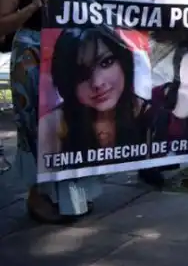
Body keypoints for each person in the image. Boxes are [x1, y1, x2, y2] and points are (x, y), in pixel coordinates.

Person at [0, 0, 101, 223]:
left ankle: (68, 196)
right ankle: (36, 197)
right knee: (35, 128)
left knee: (65, 125)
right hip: (30, 59)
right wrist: (30, 8)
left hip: (65, 57)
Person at [114, 0, 181, 186]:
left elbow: (177, 1)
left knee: (166, 97)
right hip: (139, 42)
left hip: (166, 41)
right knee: (145, 100)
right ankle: (145, 159)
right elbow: (117, 3)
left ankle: (162, 151)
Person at [41, 27, 150, 164]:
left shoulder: (149, 113)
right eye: (82, 73)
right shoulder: (53, 124)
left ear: (124, 62)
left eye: (106, 62)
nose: (97, 83)